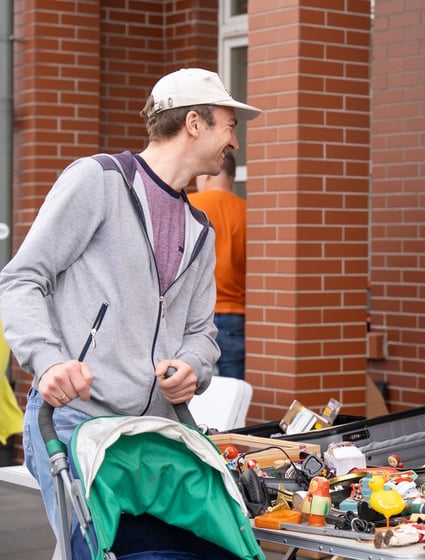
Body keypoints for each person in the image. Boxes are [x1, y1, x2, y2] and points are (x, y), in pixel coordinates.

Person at [0, 67, 261, 537]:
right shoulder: (98, 180)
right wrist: (50, 360)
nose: (235, 143)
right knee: (91, 548)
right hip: (76, 425)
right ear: (194, 123)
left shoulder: (201, 230)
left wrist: (193, 367)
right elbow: (21, 278)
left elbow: (203, 333)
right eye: (230, 126)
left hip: (150, 437)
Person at [189, 151, 247, 379]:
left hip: (194, 315)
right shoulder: (246, 212)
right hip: (234, 313)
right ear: (231, 178)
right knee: (232, 390)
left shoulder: (190, 205)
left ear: (206, 176)